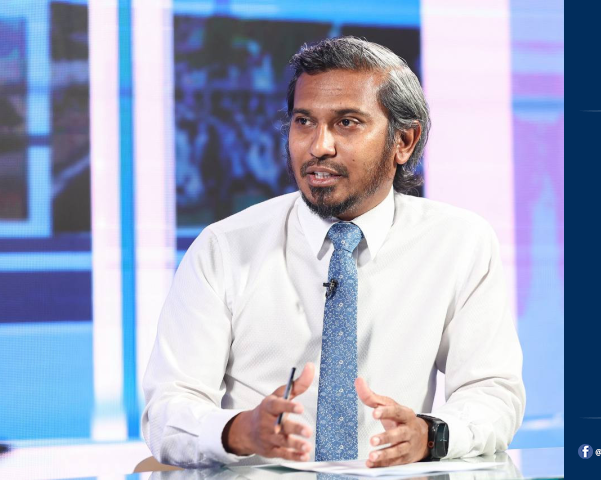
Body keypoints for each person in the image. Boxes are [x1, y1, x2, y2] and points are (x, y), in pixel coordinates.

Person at [141, 37, 525, 469]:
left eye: (347, 123)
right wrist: (240, 430)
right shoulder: (224, 247)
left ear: (404, 140)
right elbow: (167, 410)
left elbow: (492, 392)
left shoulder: (459, 242)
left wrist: (431, 435)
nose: (319, 146)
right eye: (304, 121)